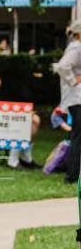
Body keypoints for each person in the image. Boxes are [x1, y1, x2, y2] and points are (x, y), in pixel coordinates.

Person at [56, 21, 81, 182]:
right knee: (78, 137)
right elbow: (63, 66)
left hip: (77, 98)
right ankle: (72, 175)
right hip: (77, 98)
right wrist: (74, 81)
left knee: (78, 136)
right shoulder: (76, 47)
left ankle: (73, 174)